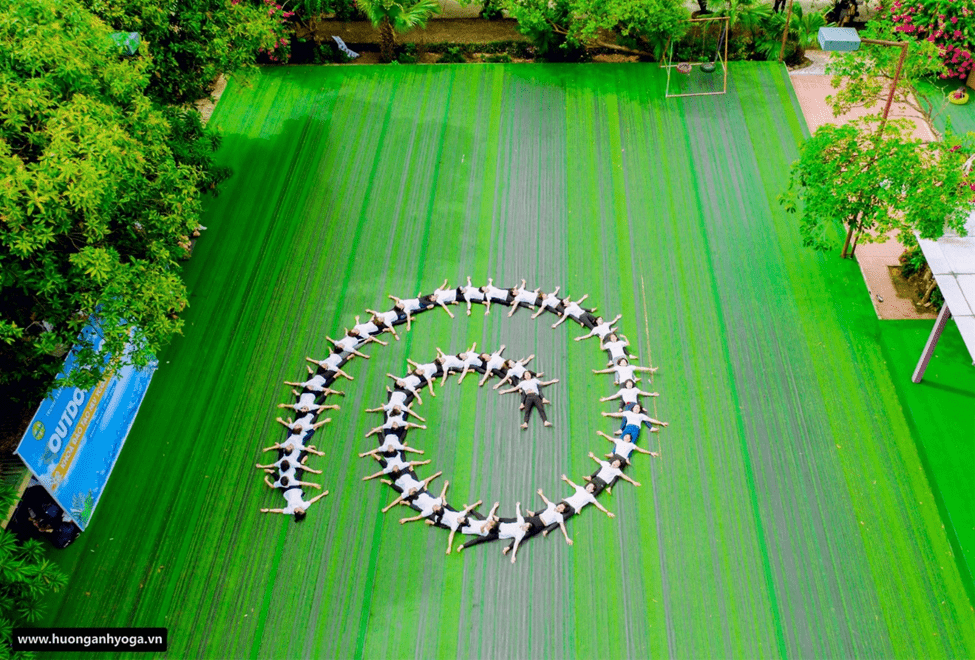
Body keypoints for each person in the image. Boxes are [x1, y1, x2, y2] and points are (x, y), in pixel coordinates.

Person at [260, 488, 329, 521]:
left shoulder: (290, 510)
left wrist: (268, 510)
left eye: (301, 510)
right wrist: (322, 494)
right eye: (302, 509)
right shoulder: (304, 506)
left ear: (296, 511)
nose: (302, 508)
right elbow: (312, 500)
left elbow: (279, 510)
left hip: (286, 491)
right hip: (296, 488)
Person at [602, 404, 668, 435]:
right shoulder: (628, 413)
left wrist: (661, 423)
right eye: (635, 407)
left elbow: (651, 420)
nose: (636, 409)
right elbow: (617, 414)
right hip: (628, 427)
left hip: (636, 428)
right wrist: (607, 414)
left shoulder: (641, 415)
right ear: (633, 408)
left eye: (638, 408)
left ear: (639, 410)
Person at [362, 455, 431, 481]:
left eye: (395, 469)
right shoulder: (400, 466)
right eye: (397, 468)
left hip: (390, 458)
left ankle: (376, 456)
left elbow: (379, 473)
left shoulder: (389, 469)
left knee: (378, 458)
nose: (396, 467)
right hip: (394, 454)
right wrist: (423, 462)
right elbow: (412, 462)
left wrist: (369, 477)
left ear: (392, 470)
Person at [359, 434, 424, 458]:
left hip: (387, 433)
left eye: (390, 449)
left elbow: (375, 450)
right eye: (392, 448)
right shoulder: (396, 446)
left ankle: (378, 432)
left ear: (388, 450)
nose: (390, 448)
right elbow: (407, 449)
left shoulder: (384, 448)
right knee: (402, 438)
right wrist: (418, 451)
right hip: (396, 433)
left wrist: (364, 454)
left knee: (381, 441)